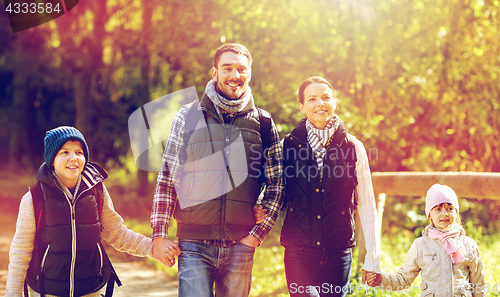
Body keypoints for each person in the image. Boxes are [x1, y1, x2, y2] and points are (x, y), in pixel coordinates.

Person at [150, 43, 284, 297]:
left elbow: (277, 183)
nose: (236, 75)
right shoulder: (187, 117)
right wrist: (159, 235)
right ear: (215, 73)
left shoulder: (264, 123)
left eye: (242, 69)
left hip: (241, 244)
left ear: (250, 73)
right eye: (228, 68)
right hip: (193, 246)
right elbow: (168, 179)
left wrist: (257, 234)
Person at [265, 76, 381, 296]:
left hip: (338, 251)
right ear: (302, 107)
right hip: (298, 251)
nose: (320, 103)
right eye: (312, 99)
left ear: (334, 103)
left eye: (326, 97)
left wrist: (372, 259)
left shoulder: (353, 147)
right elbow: (273, 191)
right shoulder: (286, 146)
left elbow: (366, 205)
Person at [6, 126, 155, 297]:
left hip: (90, 290)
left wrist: (152, 248)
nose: (73, 158)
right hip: (47, 291)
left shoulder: (97, 192)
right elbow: (21, 251)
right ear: (52, 160)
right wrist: (13, 293)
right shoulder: (34, 198)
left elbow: (117, 234)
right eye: (65, 152)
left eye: (79, 152)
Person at [366, 184, 486, 296]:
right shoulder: (421, 246)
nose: (444, 214)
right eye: (438, 209)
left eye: (449, 208)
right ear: (429, 215)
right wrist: (381, 279)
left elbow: (478, 283)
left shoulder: (468, 245)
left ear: (456, 212)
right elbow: (403, 279)